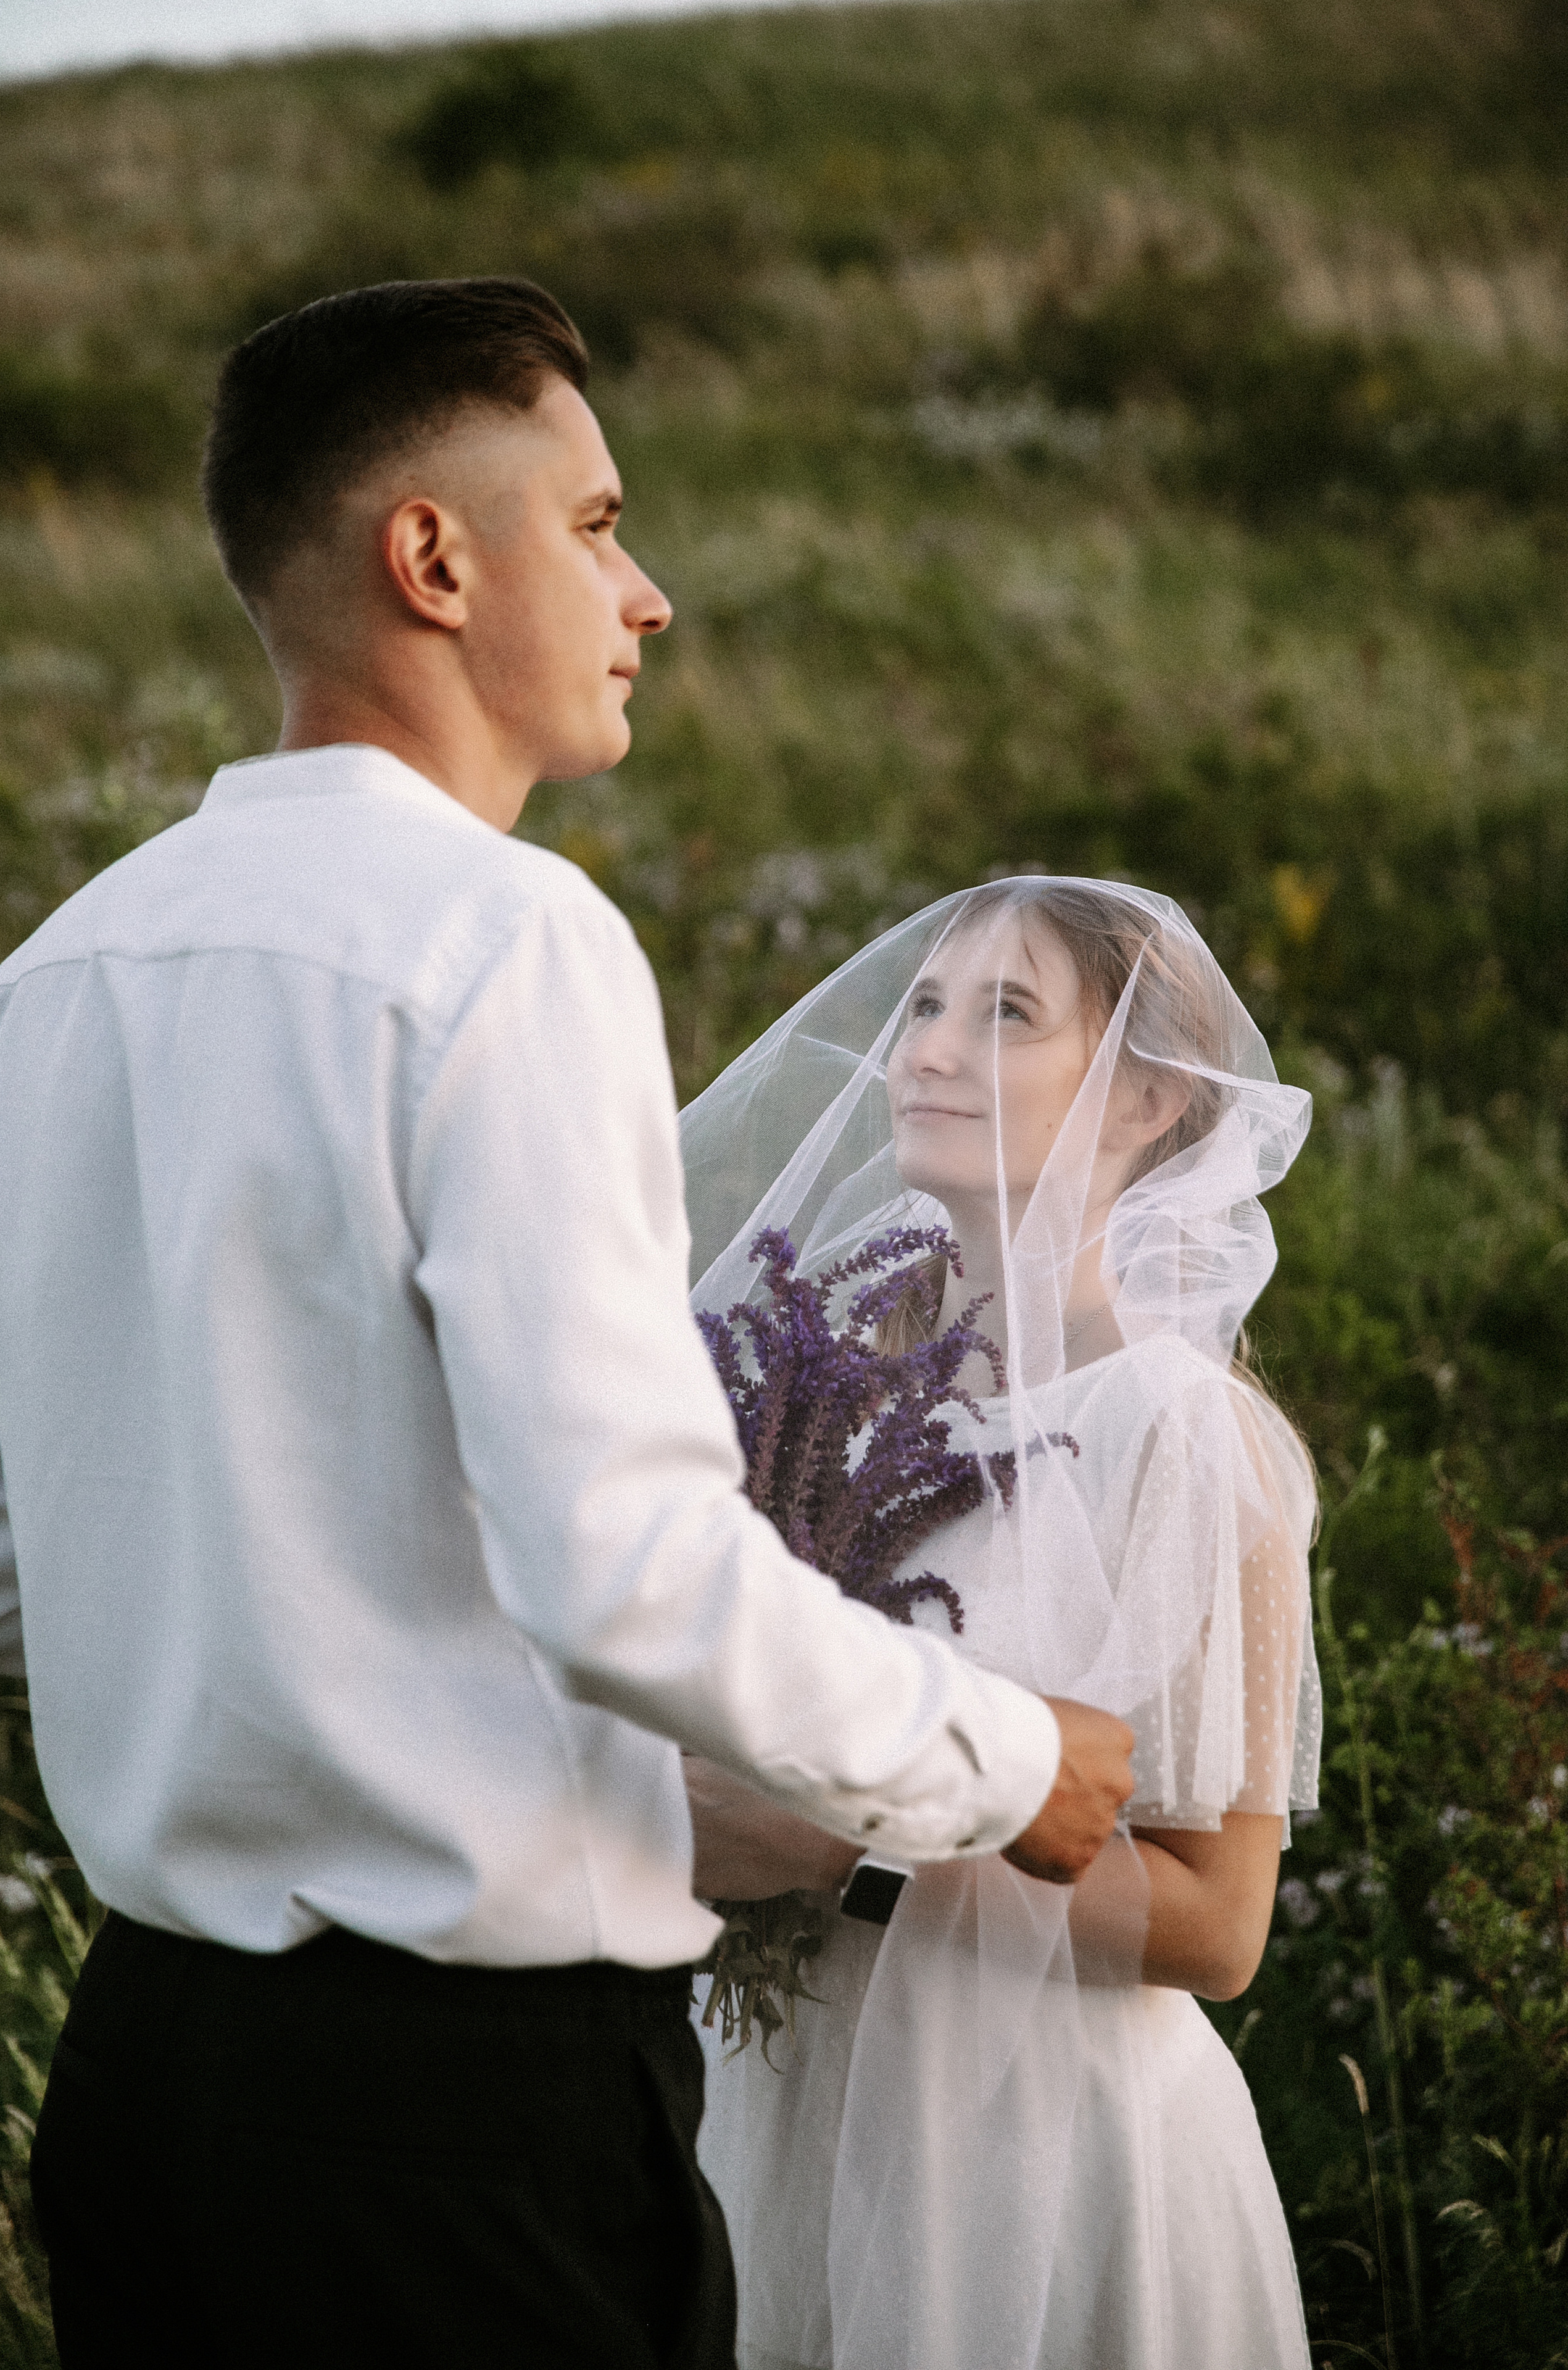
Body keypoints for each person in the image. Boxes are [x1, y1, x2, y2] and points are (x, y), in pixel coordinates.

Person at [0, 279, 1137, 2368]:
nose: (649, 592)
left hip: (144, 2085)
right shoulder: (505, 943)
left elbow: (7, 1556)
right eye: (597, 525)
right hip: (458, 2135)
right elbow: (627, 1568)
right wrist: (1003, 1761)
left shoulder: (54, 979)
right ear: (432, 560)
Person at [679, 878, 1323, 2370]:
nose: (924, 1050)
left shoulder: (1186, 1435)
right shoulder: (821, 1415)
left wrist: (842, 1852)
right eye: (923, 1006)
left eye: (1005, 1014)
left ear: (1146, 1099)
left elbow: (1218, 1927)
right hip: (787, 2106)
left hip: (1033, 2162)